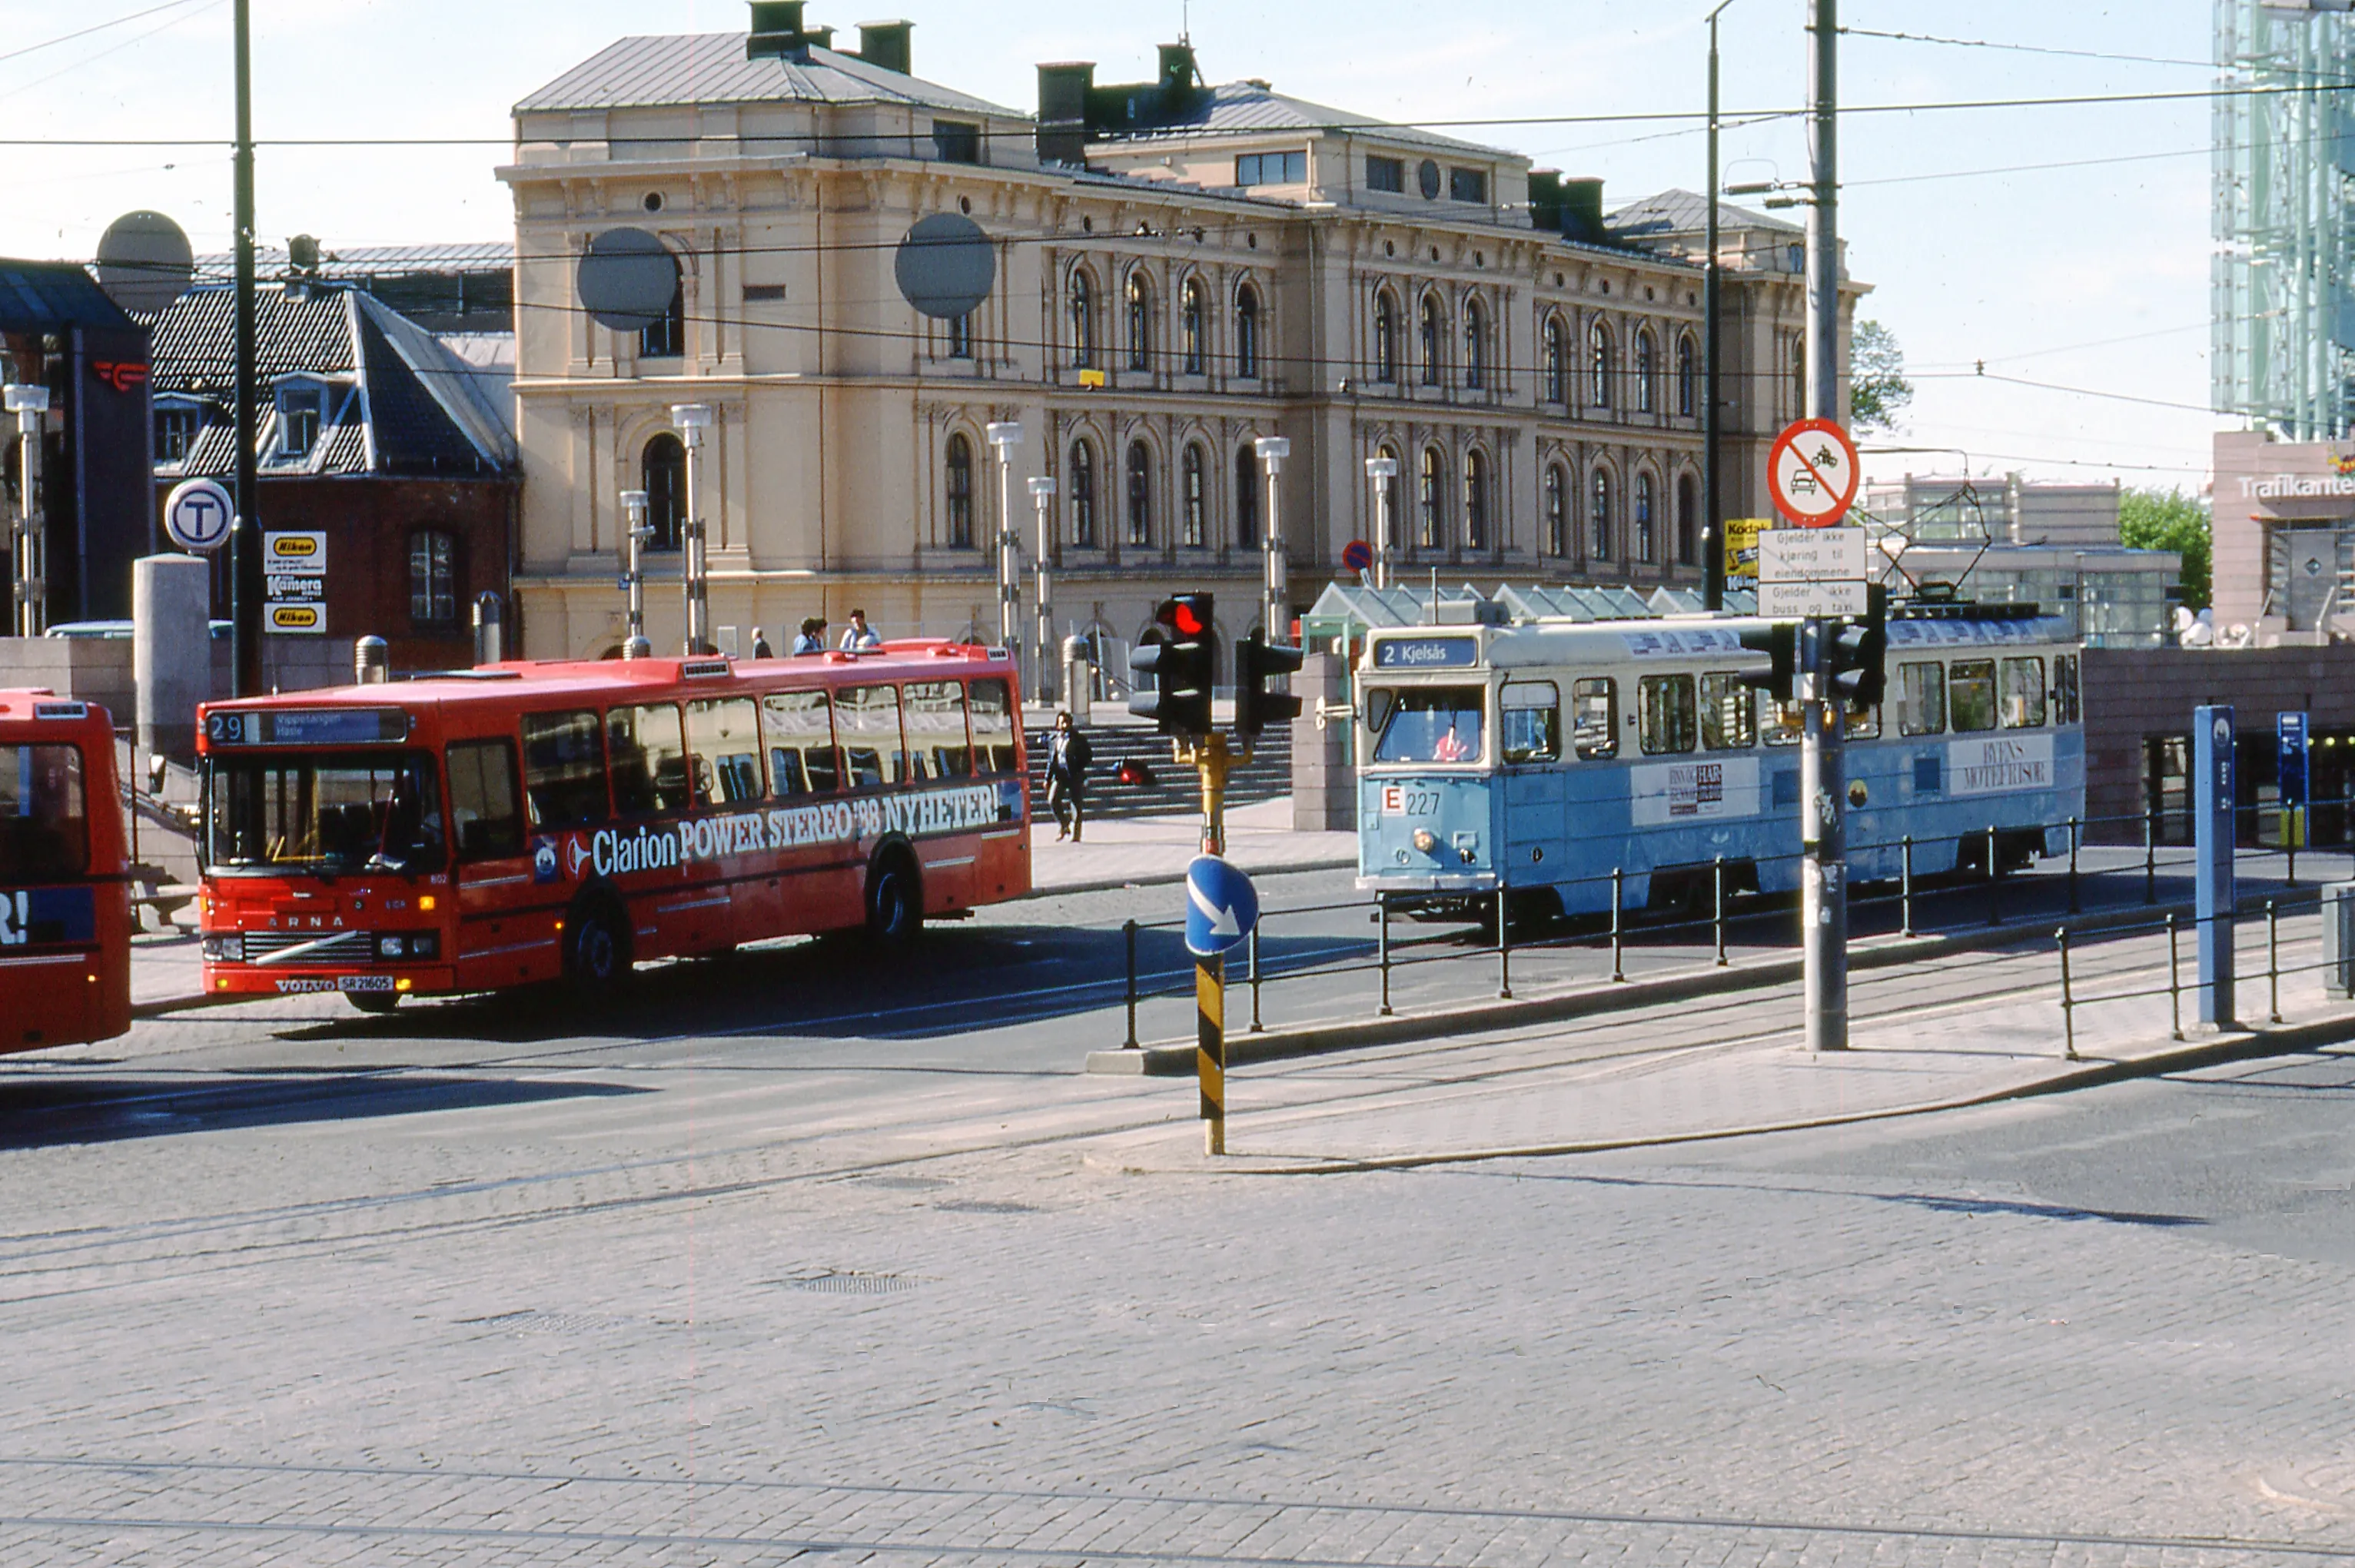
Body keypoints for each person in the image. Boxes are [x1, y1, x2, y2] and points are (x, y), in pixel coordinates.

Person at [1044, 710, 1093, 842]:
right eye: (1062, 722)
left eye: (1067, 722)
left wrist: (1078, 766)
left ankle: (1076, 835)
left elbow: (1088, 756)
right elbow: (1051, 760)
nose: (1064, 725)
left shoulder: (1078, 739)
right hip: (1060, 775)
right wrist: (1047, 778)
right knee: (1052, 800)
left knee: (1076, 805)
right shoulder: (1054, 739)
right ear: (1057, 725)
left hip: (1074, 775)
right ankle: (1064, 825)